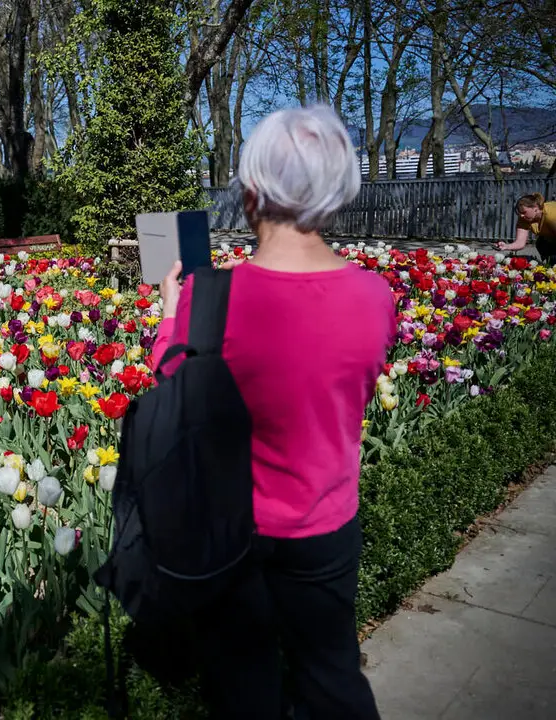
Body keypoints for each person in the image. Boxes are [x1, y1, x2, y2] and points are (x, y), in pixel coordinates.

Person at [151, 106, 393, 719]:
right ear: (338, 194)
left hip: (234, 534)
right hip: (328, 524)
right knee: (332, 672)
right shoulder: (374, 295)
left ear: (251, 192)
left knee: (243, 686)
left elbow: (173, 393)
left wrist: (169, 310)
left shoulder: (213, 298)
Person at [495, 192, 556, 262]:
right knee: (541, 244)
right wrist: (506, 246)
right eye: (520, 213)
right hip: (549, 239)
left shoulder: (552, 215)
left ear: (535, 208)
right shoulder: (524, 218)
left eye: (524, 212)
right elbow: (520, 243)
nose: (521, 216)